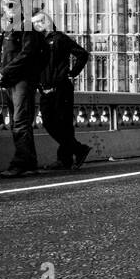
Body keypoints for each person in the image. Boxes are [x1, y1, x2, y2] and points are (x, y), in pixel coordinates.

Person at [0, 0, 47, 176]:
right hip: (11, 81)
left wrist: (5, 72)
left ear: (20, 7)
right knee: (19, 122)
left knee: (20, 122)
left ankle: (20, 163)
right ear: (3, 7)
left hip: (22, 81)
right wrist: (1, 73)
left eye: (14, 4)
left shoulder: (26, 27)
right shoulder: (8, 29)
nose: (10, 7)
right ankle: (30, 162)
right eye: (7, 4)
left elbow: (27, 54)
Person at [35, 12, 92, 171]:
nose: (39, 25)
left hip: (61, 88)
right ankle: (79, 149)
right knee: (48, 122)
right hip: (45, 90)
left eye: (41, 21)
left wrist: (72, 73)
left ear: (49, 22)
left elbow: (82, 54)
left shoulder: (60, 38)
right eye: (35, 23)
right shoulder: (36, 43)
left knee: (64, 124)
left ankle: (64, 160)